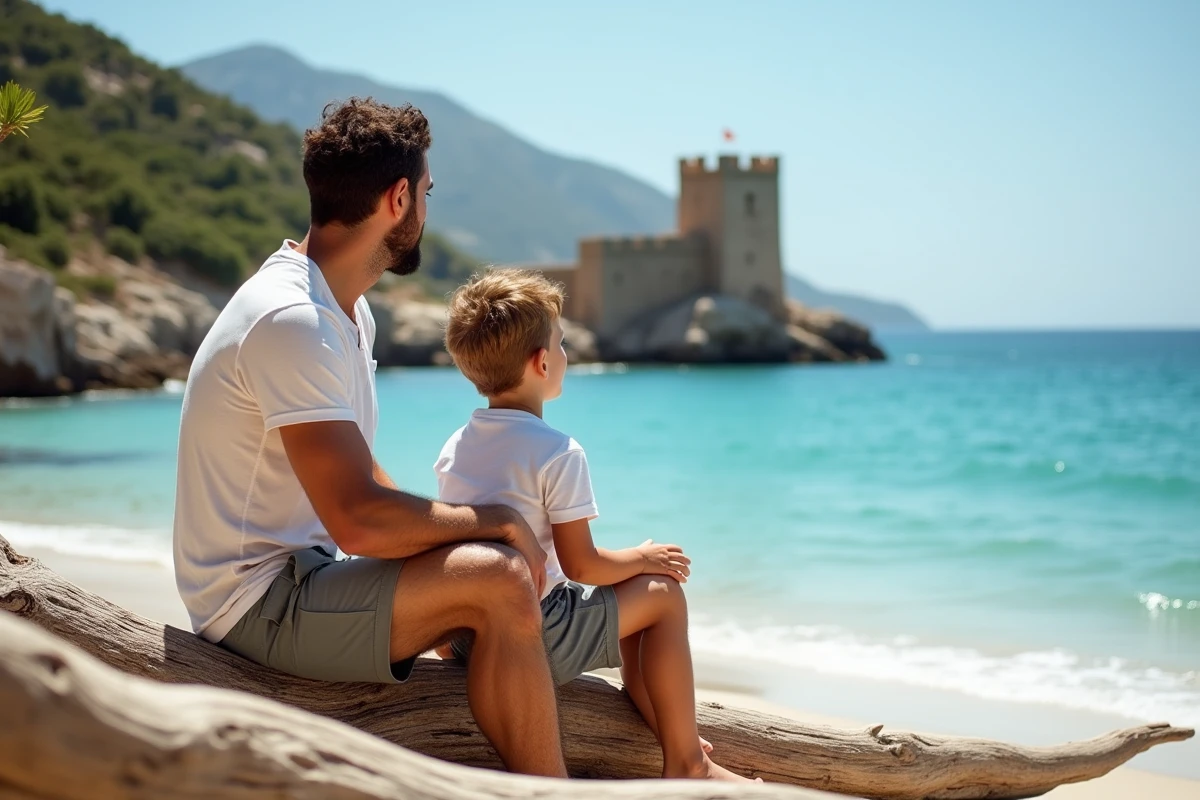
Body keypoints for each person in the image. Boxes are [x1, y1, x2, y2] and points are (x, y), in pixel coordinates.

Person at [171, 99, 566, 777]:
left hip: (304, 574)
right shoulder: (293, 318)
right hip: (252, 602)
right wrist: (497, 522)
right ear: (400, 197)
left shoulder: (343, 313)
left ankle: (511, 766)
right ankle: (552, 790)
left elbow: (366, 478)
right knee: (497, 579)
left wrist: (469, 534)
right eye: (427, 195)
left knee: (480, 569)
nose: (425, 213)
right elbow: (356, 521)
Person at [435, 269, 756, 782]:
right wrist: (645, 558)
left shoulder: (457, 445)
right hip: (536, 636)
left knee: (633, 592)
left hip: (469, 640)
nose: (564, 354)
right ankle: (688, 762)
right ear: (542, 363)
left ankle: (666, 725)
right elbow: (582, 565)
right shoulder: (557, 451)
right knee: (663, 593)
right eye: (561, 344)